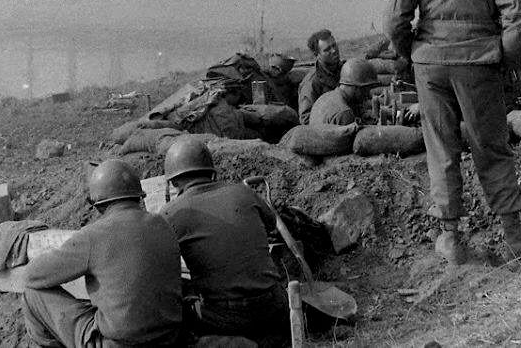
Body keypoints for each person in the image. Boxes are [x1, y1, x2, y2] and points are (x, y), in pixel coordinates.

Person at [384, 0, 521, 265]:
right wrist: (500, 55)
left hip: (430, 68)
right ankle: (514, 235)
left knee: (441, 149)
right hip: (479, 64)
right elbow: (518, 20)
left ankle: (451, 239)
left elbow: (394, 21)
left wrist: (413, 53)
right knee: (491, 147)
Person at [21, 159, 182, 348]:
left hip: (118, 344)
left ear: (97, 204)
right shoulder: (163, 224)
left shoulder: (93, 235)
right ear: (139, 196)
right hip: (170, 338)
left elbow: (31, 276)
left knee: (32, 295)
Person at [159, 137, 288, 348]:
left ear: (173, 182)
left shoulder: (170, 213)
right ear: (211, 172)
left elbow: (161, 270)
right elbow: (271, 225)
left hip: (226, 317)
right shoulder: (243, 191)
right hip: (274, 305)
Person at [308, 58, 378, 126]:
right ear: (356, 88)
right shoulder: (344, 112)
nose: (367, 95)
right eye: (366, 89)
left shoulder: (324, 97)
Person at [297, 29, 343, 124]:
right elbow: (306, 120)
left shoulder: (345, 70)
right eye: (327, 49)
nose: (334, 50)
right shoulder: (311, 83)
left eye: (334, 45)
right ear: (316, 54)